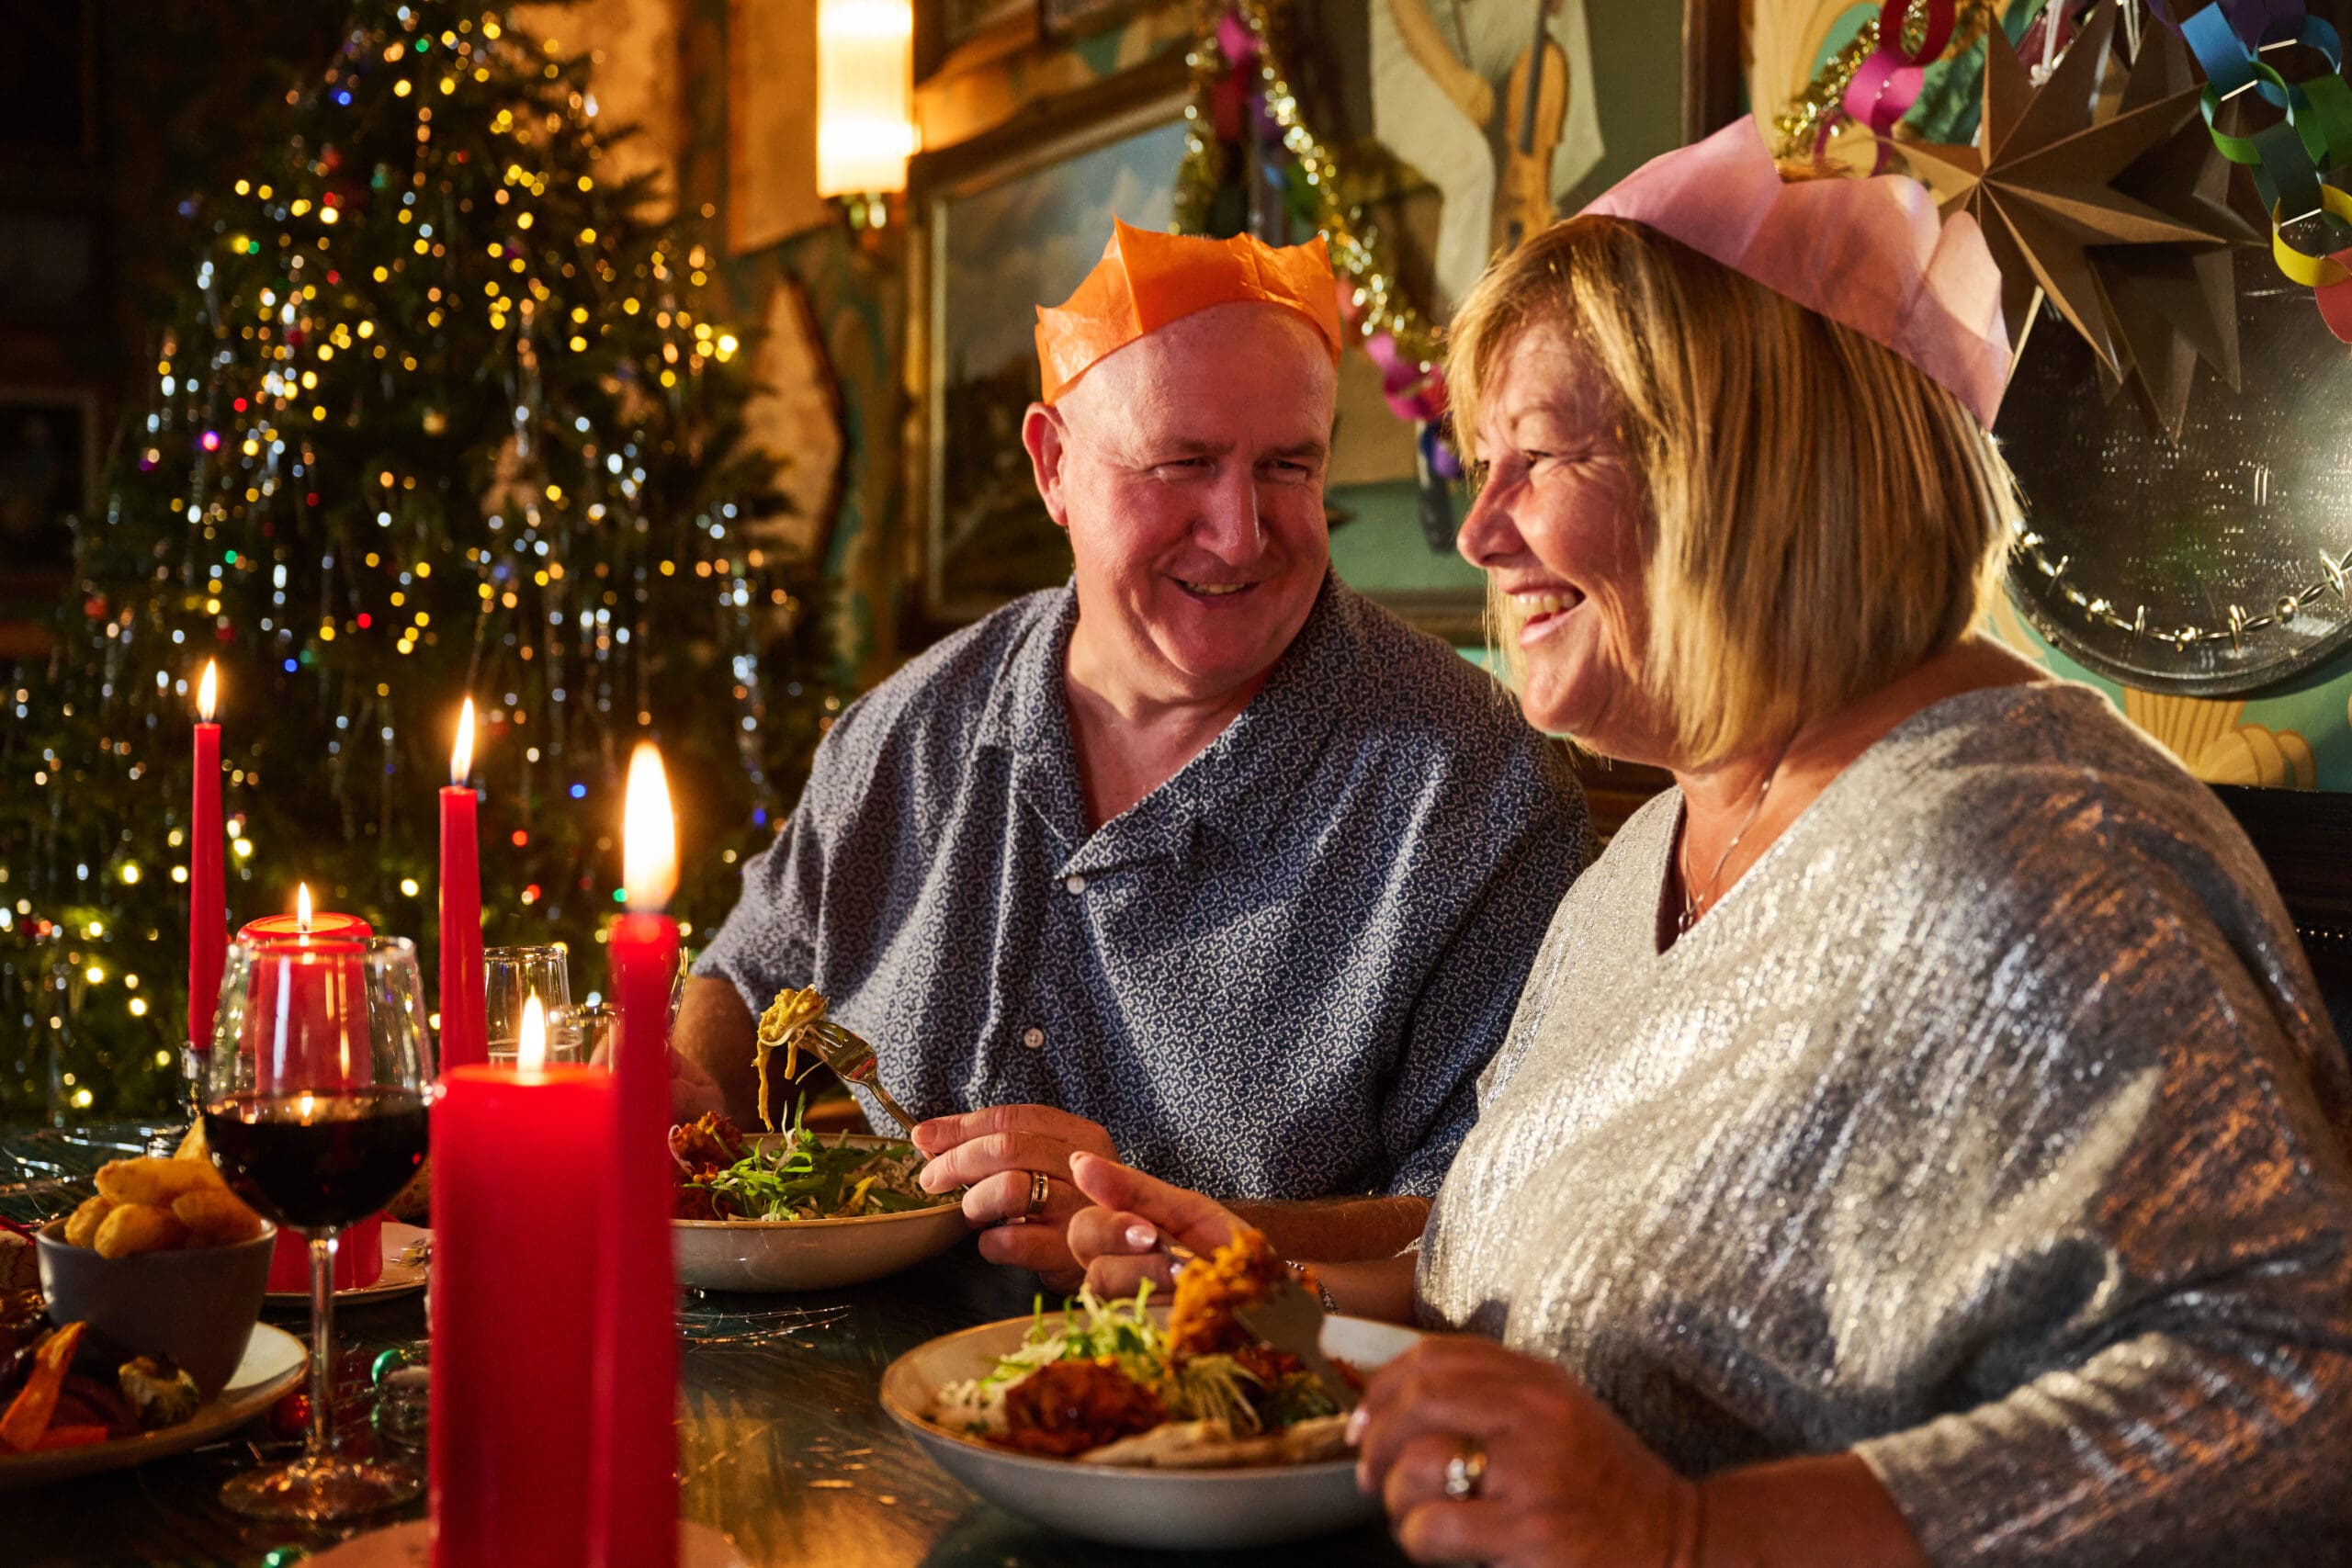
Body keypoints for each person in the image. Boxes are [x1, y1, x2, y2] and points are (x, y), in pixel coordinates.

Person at [1067, 122, 2352, 1565]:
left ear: (1757, 466)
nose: (1480, 532)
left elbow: (2298, 1381)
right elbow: (1502, 1273)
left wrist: (1691, 1534)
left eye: (1537, 455)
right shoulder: (1646, 855)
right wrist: (1259, 1268)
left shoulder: (2032, 846)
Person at [680, 220, 1587, 1286]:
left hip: (1238, 1420)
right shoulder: (908, 730)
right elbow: (747, 976)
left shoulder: (1473, 792)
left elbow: (1485, 1220)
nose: (1241, 533)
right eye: (1182, 464)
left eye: (1287, 467)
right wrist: (690, 1087)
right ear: (1053, 465)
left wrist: (1164, 1224)